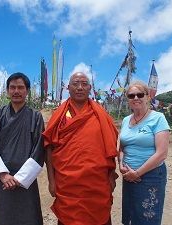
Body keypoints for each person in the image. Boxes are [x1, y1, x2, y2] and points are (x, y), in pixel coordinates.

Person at [43, 72, 118, 225]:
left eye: (84, 84)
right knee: (69, 219)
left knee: (99, 217)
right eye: (75, 84)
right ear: (68, 88)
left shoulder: (101, 115)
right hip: (67, 184)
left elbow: (110, 147)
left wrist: (111, 173)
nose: (79, 88)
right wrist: (51, 179)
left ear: (90, 88)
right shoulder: (59, 115)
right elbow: (48, 148)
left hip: (97, 183)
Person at [0, 72, 45, 225]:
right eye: (12, 88)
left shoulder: (35, 117)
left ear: (27, 91)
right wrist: (4, 175)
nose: (16, 91)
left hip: (26, 180)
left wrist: (19, 178)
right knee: (2, 218)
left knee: (28, 218)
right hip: (3, 179)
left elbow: (39, 150)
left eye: (20, 87)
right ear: (7, 90)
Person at [119, 81, 170, 225]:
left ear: (148, 97)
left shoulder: (158, 118)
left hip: (151, 175)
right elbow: (122, 148)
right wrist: (121, 164)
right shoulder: (125, 120)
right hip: (129, 175)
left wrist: (138, 173)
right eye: (131, 95)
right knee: (131, 214)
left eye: (140, 94)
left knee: (147, 218)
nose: (135, 98)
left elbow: (161, 153)